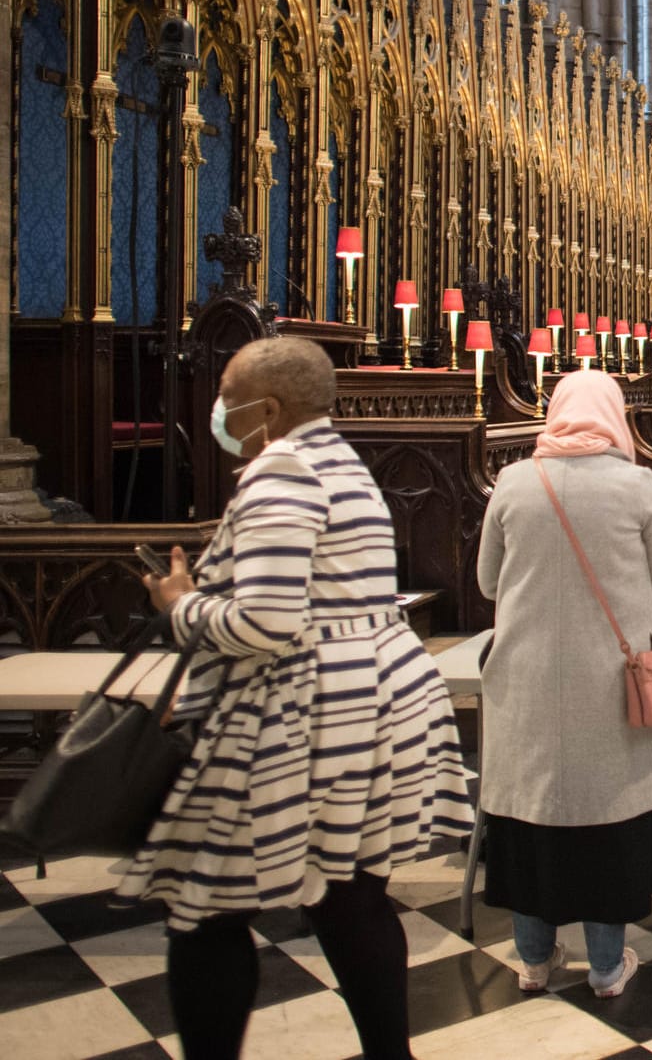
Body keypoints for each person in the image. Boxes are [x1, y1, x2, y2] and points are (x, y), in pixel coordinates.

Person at [124, 336, 473, 1060]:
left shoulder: (281, 470)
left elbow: (265, 621)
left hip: (306, 711)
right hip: (376, 693)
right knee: (349, 895)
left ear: (269, 407)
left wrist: (179, 604)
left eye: (228, 393)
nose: (219, 406)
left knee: (206, 899)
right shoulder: (340, 460)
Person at [476, 370, 652, 999]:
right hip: (609, 686)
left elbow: (487, 582)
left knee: (528, 817)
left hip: (525, 681)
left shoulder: (513, 482)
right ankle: (604, 968)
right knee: (606, 821)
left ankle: (534, 962)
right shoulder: (638, 485)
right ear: (614, 414)